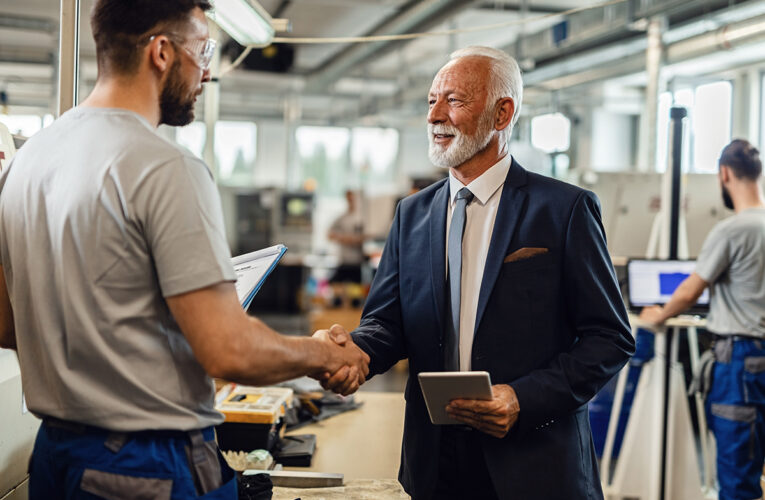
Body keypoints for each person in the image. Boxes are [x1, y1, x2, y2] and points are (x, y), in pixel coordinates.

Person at [0, 1, 368, 498]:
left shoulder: (26, 162)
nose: (208, 70)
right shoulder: (165, 166)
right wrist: (320, 353)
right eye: (204, 50)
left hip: (55, 457)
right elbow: (228, 350)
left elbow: (7, 324)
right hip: (146, 466)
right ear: (161, 52)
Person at [320, 46, 635, 499]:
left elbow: (610, 337)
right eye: (431, 101)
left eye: (454, 100)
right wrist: (355, 356)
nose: (435, 115)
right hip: (437, 464)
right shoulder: (412, 214)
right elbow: (387, 324)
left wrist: (524, 399)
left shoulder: (564, 210)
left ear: (502, 113)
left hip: (534, 462)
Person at [640, 139, 765, 500]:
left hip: (740, 365)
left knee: (738, 476)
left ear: (724, 174)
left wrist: (658, 315)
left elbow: (689, 291)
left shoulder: (732, 230)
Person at [327, 189, 365, 283]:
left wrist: (353, 239)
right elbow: (329, 235)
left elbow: (365, 237)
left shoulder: (362, 218)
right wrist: (345, 239)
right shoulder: (342, 218)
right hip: (344, 261)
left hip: (356, 262)